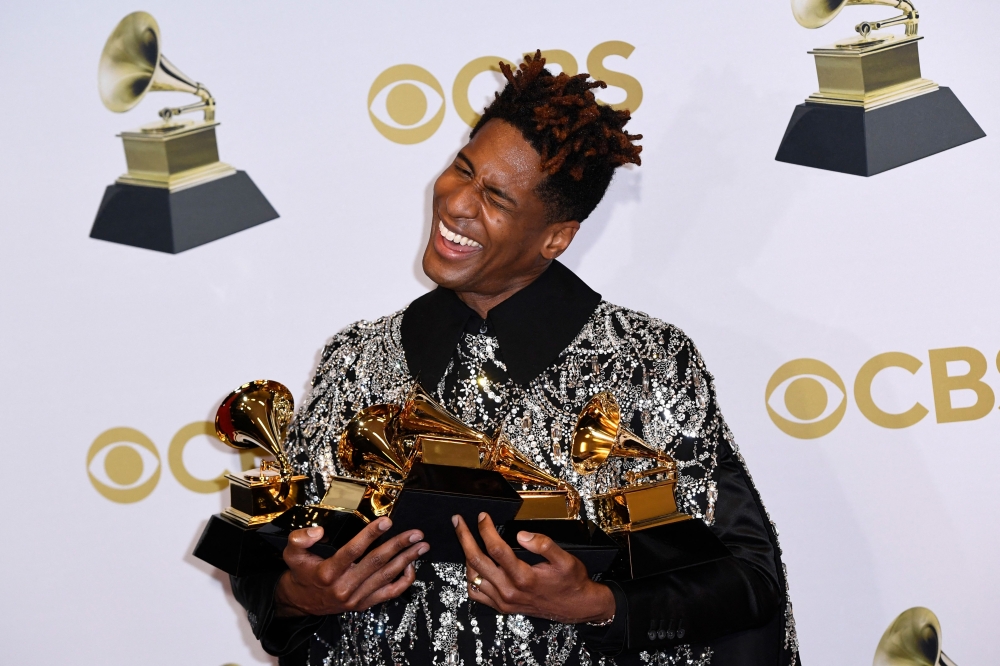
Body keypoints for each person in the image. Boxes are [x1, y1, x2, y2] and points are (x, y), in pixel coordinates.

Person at [231, 52, 801, 666]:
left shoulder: (644, 363)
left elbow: (748, 581)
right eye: (462, 169)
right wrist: (298, 594)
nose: (456, 203)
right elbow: (268, 556)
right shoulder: (357, 357)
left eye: (497, 197)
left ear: (556, 237)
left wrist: (597, 604)